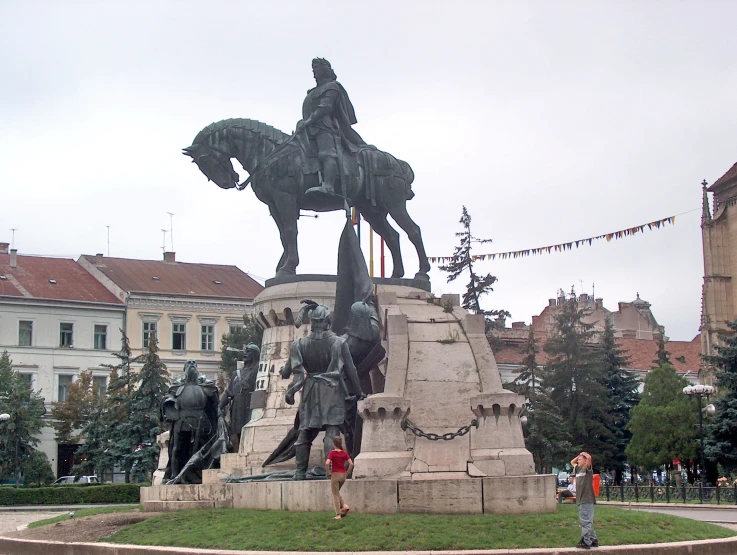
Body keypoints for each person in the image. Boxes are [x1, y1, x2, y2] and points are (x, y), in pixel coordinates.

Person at [284, 303, 364, 480]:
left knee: (305, 433)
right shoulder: (338, 342)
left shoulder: (299, 344)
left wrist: (290, 388)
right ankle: (334, 471)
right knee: (332, 430)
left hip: (310, 389)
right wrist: (358, 392)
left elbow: (288, 372)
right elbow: (351, 370)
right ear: (327, 321)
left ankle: (300, 473)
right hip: (332, 389)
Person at [296, 58, 367, 196]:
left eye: (317, 68)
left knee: (326, 153)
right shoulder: (312, 91)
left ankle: (328, 186)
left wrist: (309, 121)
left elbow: (326, 107)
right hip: (308, 129)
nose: (314, 72)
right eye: (313, 69)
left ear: (326, 69)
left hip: (324, 127)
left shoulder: (332, 87)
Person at [571, 451, 598, 549]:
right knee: (587, 520)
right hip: (581, 499)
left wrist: (585, 454)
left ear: (585, 461)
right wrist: (579, 456)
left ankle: (586, 541)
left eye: (580, 459)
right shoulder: (577, 469)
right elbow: (572, 462)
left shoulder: (587, 470)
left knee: (585, 520)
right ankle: (593, 539)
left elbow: (589, 458)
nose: (578, 461)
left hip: (586, 498)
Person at [326, 435, 353, 519]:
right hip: (343, 475)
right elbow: (351, 464)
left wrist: (328, 472)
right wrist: (347, 473)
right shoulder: (344, 453)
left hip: (335, 475)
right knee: (337, 492)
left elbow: (327, 463)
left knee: (335, 495)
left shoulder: (332, 453)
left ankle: (338, 514)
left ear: (333, 444)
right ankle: (344, 506)